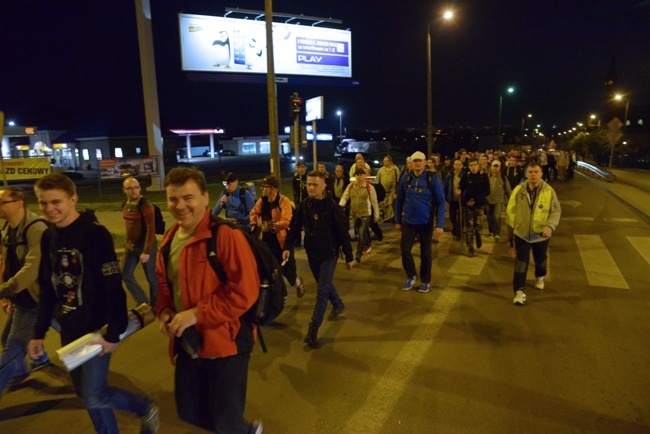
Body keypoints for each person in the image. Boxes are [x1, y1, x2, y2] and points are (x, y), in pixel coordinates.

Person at [28, 173, 159, 433]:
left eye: (56, 201)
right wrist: (38, 333)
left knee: (93, 395)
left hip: (96, 330)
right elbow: (47, 287)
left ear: (73, 199)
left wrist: (114, 333)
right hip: (70, 328)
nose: (49, 208)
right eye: (43, 203)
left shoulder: (95, 233)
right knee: (87, 395)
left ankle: (144, 407)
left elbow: (113, 286)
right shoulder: (48, 236)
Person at [155, 167, 262, 433]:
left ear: (205, 198)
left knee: (225, 419)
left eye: (188, 197)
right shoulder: (169, 240)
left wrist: (195, 314)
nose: (180, 206)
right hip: (191, 343)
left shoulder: (226, 236)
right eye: (173, 199)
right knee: (189, 411)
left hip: (228, 342)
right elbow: (164, 285)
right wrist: (165, 310)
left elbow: (245, 293)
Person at [283, 170, 354, 348]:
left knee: (321, 291)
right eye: (309, 184)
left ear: (324, 186)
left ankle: (313, 329)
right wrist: (287, 248)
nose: (311, 188)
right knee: (325, 284)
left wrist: (349, 256)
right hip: (312, 253)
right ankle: (338, 304)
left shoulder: (332, 206)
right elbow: (294, 227)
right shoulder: (304, 205)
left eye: (315, 184)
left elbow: (343, 233)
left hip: (329, 254)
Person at [0, 187, 50, 398]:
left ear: (19, 203)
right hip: (24, 298)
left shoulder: (36, 228)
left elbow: (32, 267)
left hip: (40, 298)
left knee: (13, 347)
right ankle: (31, 364)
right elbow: (8, 264)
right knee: (8, 340)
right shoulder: (8, 229)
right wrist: (9, 295)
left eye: (2, 202)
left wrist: (6, 289)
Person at [506, 162, 561, 305]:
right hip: (522, 234)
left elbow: (556, 211)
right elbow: (510, 210)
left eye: (536, 172)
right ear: (526, 174)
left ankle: (540, 276)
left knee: (540, 261)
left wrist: (549, 227)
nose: (533, 175)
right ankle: (519, 292)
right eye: (530, 172)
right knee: (521, 263)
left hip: (540, 235)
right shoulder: (518, 190)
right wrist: (512, 230)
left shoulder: (549, 191)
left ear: (541, 174)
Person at [394, 151, 446, 293]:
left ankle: (425, 280)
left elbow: (441, 203)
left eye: (420, 161)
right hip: (409, 222)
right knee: (405, 250)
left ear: (425, 163)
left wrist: (440, 225)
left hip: (426, 222)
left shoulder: (432, 179)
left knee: (426, 253)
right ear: (411, 162)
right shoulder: (406, 178)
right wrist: (398, 220)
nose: (417, 163)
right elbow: (399, 201)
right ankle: (411, 276)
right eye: (415, 161)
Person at [250, 175, 305, 298]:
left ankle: (297, 282)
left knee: (288, 268)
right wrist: (254, 225)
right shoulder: (262, 201)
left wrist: (272, 226)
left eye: (265, 187)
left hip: (283, 240)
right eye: (262, 186)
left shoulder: (283, 201)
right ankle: (279, 294)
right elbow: (254, 212)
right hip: (267, 241)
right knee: (271, 267)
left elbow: (286, 221)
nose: (262, 189)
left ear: (273, 189)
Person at [120, 177, 159, 307]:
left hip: (146, 245)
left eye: (136, 187)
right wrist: (127, 242)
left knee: (152, 278)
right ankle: (143, 303)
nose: (133, 191)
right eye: (129, 188)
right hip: (131, 246)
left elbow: (150, 228)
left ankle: (157, 305)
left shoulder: (145, 205)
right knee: (125, 274)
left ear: (140, 188)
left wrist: (147, 251)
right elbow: (129, 225)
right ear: (124, 190)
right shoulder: (125, 204)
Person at [339, 168, 380, 263]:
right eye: (357, 175)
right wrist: (340, 206)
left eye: (361, 175)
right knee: (361, 232)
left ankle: (358, 254)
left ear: (365, 176)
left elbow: (374, 202)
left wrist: (376, 215)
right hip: (355, 214)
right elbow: (345, 197)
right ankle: (368, 245)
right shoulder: (350, 186)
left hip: (366, 214)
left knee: (361, 234)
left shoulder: (369, 187)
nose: (359, 177)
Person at [459, 158, 490, 257]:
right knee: (469, 227)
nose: (473, 167)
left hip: (479, 205)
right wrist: (458, 190)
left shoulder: (483, 176)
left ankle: (479, 235)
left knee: (478, 225)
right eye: (471, 165)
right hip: (468, 206)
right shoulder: (466, 177)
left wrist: (475, 199)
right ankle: (470, 248)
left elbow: (487, 191)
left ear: (478, 165)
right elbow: (460, 187)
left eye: (475, 165)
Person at [485, 160, 512, 241]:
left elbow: (508, 189)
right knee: (489, 217)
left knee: (497, 217)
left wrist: (510, 199)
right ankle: (492, 230)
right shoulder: (486, 176)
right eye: (494, 166)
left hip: (499, 200)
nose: (495, 168)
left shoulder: (503, 177)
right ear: (491, 167)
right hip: (487, 200)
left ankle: (496, 233)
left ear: (500, 168)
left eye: (497, 166)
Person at [443, 159, 465, 241]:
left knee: (461, 217)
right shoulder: (449, 175)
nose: (457, 166)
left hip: (461, 200)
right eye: (456, 164)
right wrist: (445, 197)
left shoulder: (464, 175)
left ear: (462, 166)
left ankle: (459, 233)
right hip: (452, 199)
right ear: (453, 165)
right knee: (452, 217)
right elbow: (445, 186)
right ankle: (455, 228)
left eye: (459, 164)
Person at [376, 156, 401, 223]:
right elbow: (377, 180)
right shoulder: (381, 170)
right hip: (383, 191)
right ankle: (388, 217)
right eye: (384, 161)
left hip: (392, 191)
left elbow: (398, 180)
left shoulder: (395, 169)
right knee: (384, 204)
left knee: (390, 204)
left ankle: (392, 217)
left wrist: (396, 191)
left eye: (386, 161)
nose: (384, 162)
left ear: (390, 161)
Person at [292, 162, 308, 247]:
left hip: (307, 202)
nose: (301, 169)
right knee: (297, 221)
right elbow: (295, 191)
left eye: (302, 167)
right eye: (299, 167)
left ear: (305, 168)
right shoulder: (295, 178)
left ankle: (307, 240)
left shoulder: (308, 177)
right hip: (299, 203)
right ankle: (297, 240)